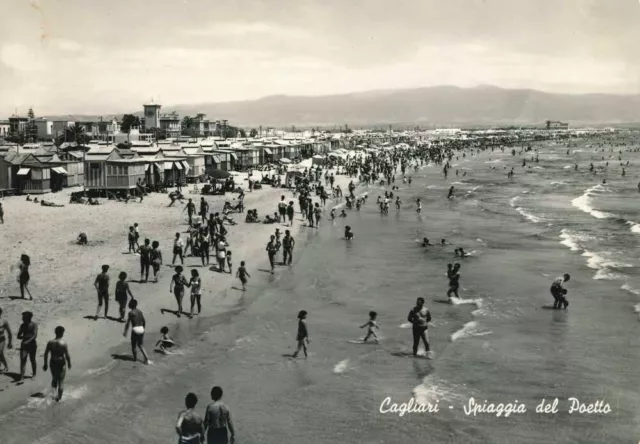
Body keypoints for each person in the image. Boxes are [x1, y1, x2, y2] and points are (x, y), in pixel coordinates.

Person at [43, 326, 71, 402]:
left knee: (54, 379)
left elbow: (46, 354)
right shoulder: (63, 343)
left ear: (55, 332)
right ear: (62, 333)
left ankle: (53, 395)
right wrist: (69, 363)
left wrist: (45, 364)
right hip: (61, 362)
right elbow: (67, 355)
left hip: (53, 362)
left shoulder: (50, 342)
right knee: (61, 381)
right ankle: (59, 398)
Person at [123, 299, 149, 364]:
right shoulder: (140, 311)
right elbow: (144, 321)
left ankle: (134, 359)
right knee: (140, 345)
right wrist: (143, 329)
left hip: (135, 329)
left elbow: (128, 323)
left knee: (133, 345)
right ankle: (146, 357)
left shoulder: (131, 313)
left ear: (130, 305)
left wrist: (125, 332)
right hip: (141, 328)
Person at [17, 311, 38, 382]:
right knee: (23, 360)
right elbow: (18, 336)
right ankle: (22, 377)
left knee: (32, 360)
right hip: (24, 345)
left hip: (32, 345)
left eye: (23, 318)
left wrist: (27, 341)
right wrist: (24, 338)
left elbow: (35, 335)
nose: (22, 319)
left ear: (28, 318)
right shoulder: (22, 325)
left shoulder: (34, 325)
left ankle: (34, 374)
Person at [0, 308, 13, 373]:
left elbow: (9, 332)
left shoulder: (4, 321)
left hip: (1, 339)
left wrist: (10, 343)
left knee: (0, 352)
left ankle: (6, 366)